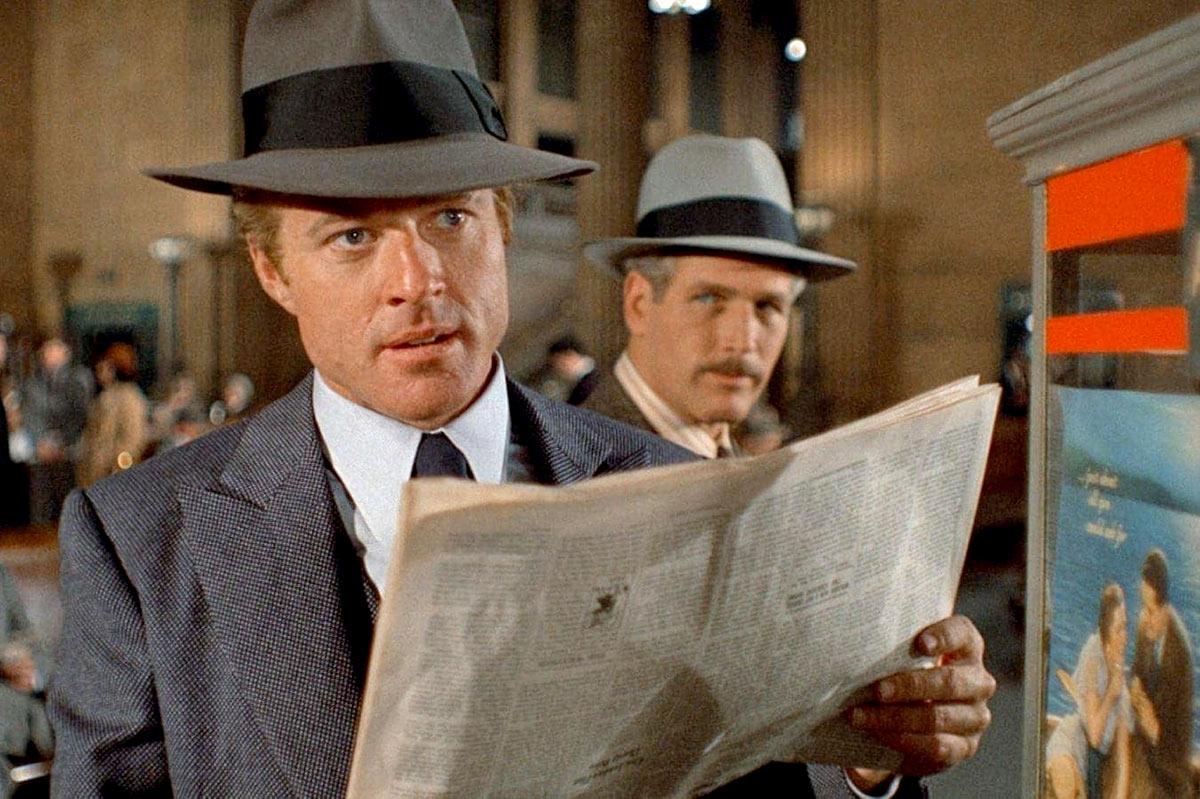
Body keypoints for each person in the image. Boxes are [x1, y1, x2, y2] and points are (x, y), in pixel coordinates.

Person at [48, 2, 994, 796]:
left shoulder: (674, 487)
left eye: (449, 216)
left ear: (501, 224)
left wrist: (874, 755)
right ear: (272, 270)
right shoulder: (141, 540)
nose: (417, 280)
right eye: (352, 238)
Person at [582, 134, 853, 459]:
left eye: (767, 305)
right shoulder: (567, 469)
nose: (743, 341)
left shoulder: (735, 460)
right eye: (709, 299)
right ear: (638, 304)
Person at [1044, 582, 1132, 799]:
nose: (1125, 636)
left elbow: (1123, 761)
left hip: (1091, 769)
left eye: (1126, 626)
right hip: (1070, 744)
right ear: (1106, 633)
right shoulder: (1093, 655)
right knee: (1067, 789)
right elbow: (1094, 736)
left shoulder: (1123, 689)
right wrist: (1111, 694)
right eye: (1119, 629)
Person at [1128, 549, 1195, 798]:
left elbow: (1175, 739)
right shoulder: (1146, 625)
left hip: (1169, 766)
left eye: (1152, 612)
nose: (1146, 619)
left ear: (1166, 610)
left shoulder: (1179, 655)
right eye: (1144, 609)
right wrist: (1134, 684)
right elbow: (1136, 672)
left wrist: (1153, 726)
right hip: (1144, 746)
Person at [76, 343, 149, 488]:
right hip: (94, 470)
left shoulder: (129, 396)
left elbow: (133, 437)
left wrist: (118, 465)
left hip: (113, 472)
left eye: (106, 367)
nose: (99, 372)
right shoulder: (101, 397)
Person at [526, 335, 598, 405]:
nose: (559, 367)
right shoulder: (555, 380)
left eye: (562, 362)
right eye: (555, 363)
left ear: (572, 355)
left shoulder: (589, 382)